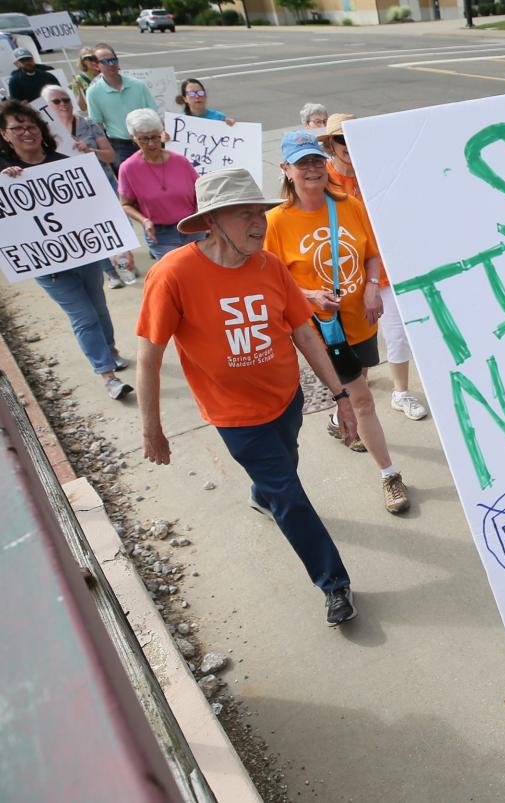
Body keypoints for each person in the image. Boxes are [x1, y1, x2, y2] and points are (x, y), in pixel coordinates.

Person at [136, 168, 360, 627]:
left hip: (286, 399)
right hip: (235, 416)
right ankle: (333, 582)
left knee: (282, 470)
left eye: (261, 213)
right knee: (291, 498)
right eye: (245, 215)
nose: (259, 223)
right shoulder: (172, 275)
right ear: (213, 221)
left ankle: (263, 491)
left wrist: (339, 394)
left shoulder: (270, 266)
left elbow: (305, 333)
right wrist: (152, 428)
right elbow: (149, 358)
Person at [265, 131, 410, 514]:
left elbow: (371, 254)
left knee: (359, 377)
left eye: (315, 161)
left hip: (362, 319)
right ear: (286, 170)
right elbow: (270, 280)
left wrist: (372, 287)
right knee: (363, 398)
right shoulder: (276, 222)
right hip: (322, 329)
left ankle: (337, 416)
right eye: (302, 163)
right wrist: (310, 296)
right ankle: (389, 475)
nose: (311, 169)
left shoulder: (349, 205)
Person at [0, 100, 134, 402]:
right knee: (84, 316)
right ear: (4, 134)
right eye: (17, 127)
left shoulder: (63, 162)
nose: (26, 132)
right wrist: (3, 185)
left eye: (31, 125)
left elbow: (94, 209)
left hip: (85, 254)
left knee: (99, 309)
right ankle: (107, 375)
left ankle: (110, 351)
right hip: (47, 265)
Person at [318, 114, 428, 423]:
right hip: (343, 274)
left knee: (396, 333)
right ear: (330, 144)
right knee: (350, 348)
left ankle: (400, 392)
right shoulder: (321, 178)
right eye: (341, 139)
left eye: (354, 137)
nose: (348, 145)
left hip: (382, 267)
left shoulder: (375, 172)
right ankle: (349, 410)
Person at [40, 84, 136, 289]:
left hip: (103, 182)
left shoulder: (89, 124)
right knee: (91, 230)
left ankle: (126, 263)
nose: (63, 104)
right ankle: (110, 273)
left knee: (119, 225)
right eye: (56, 101)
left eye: (65, 99)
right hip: (72, 192)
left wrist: (90, 151)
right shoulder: (43, 132)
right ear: (46, 106)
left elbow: (110, 156)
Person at [119, 108, 203, 262]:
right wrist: (144, 220)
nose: (151, 144)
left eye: (155, 137)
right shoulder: (128, 168)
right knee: (175, 274)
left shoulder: (180, 161)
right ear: (134, 138)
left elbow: (200, 191)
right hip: (160, 234)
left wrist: (202, 213)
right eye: (144, 139)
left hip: (192, 226)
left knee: (199, 271)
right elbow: (125, 204)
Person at [86, 43, 157, 170]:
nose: (111, 64)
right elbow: (97, 126)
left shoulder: (138, 85)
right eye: (105, 62)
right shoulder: (93, 92)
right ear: (96, 65)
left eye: (113, 60)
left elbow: (154, 113)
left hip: (148, 141)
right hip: (120, 146)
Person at [70, 47, 99, 114]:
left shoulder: (106, 73)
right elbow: (83, 108)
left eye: (96, 58)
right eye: (90, 59)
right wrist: (80, 91)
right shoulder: (79, 79)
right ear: (83, 62)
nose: (94, 61)